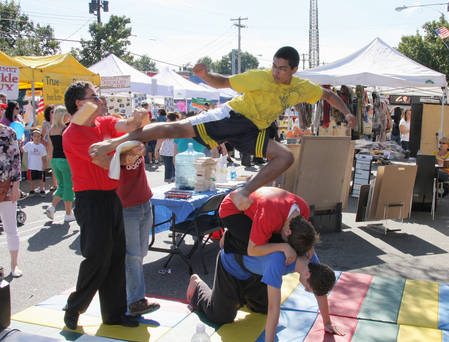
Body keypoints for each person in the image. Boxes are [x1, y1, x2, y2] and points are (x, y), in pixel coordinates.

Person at [89, 46, 356, 212]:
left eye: (282, 69)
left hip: (256, 130)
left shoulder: (302, 87)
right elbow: (224, 82)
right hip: (232, 116)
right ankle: (113, 143)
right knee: (174, 129)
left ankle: (243, 191)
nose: (276, 72)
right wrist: (206, 77)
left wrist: (347, 112)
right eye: (274, 66)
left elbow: (327, 96)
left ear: (294, 70)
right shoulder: (259, 77)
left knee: (286, 157)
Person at [61, 81, 147, 330]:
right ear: (80, 103)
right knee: (97, 257)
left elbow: (127, 125)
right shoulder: (72, 134)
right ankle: (74, 306)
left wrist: (138, 118)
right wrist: (130, 154)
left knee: (117, 255)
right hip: (90, 200)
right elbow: (103, 162)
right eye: (93, 97)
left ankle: (114, 314)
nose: (100, 100)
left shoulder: (102, 123)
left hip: (111, 197)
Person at [186, 248, 343, 342]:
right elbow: (274, 309)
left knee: (262, 308)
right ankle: (198, 284)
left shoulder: (310, 258)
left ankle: (237, 297)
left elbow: (319, 291)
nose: (308, 291)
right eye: (309, 289)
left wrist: (327, 322)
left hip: (255, 271)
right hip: (231, 267)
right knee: (220, 317)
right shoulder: (277, 263)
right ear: (308, 275)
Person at [116, 131, 160, 317]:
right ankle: (135, 300)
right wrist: (136, 149)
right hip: (127, 206)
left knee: (140, 253)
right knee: (133, 256)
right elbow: (124, 160)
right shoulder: (114, 147)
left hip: (144, 201)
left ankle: (131, 296)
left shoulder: (135, 140)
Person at [220, 186, 314, 264]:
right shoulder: (270, 215)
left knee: (278, 240)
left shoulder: (304, 210)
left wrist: (308, 244)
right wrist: (284, 246)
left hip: (257, 206)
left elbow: (303, 232)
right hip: (233, 209)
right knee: (269, 245)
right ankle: (230, 237)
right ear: (288, 231)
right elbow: (252, 250)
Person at [45, 105, 75, 222]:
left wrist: (50, 161)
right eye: (67, 114)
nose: (69, 116)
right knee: (68, 187)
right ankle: (68, 213)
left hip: (55, 160)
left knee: (62, 186)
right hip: (65, 160)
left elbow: (49, 147)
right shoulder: (66, 129)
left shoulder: (51, 130)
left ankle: (52, 207)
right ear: (63, 116)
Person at [0, 122, 22, 277]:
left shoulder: (9, 132)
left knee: (11, 228)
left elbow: (16, 160)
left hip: (6, 184)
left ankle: (14, 265)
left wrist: (15, 186)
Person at [23, 129, 47, 196]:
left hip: (40, 166)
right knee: (31, 179)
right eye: (35, 136)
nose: (36, 138)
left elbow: (44, 157)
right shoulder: (29, 144)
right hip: (31, 166)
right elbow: (23, 150)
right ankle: (32, 190)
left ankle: (42, 190)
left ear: (40, 137)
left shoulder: (42, 147)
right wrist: (21, 142)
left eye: (38, 136)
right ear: (32, 137)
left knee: (41, 179)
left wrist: (44, 165)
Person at [155, 112, 178, 183]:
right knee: (176, 169)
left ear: (168, 119)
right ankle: (174, 183)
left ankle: (170, 183)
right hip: (176, 150)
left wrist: (156, 150)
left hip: (165, 151)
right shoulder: (179, 126)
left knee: (168, 169)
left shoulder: (165, 127)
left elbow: (160, 140)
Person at [42, 105, 58, 192]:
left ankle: (61, 184)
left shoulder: (60, 122)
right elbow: (42, 137)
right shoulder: (46, 124)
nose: (54, 113)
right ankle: (55, 184)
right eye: (52, 112)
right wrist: (46, 144)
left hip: (59, 146)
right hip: (50, 147)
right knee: (54, 166)